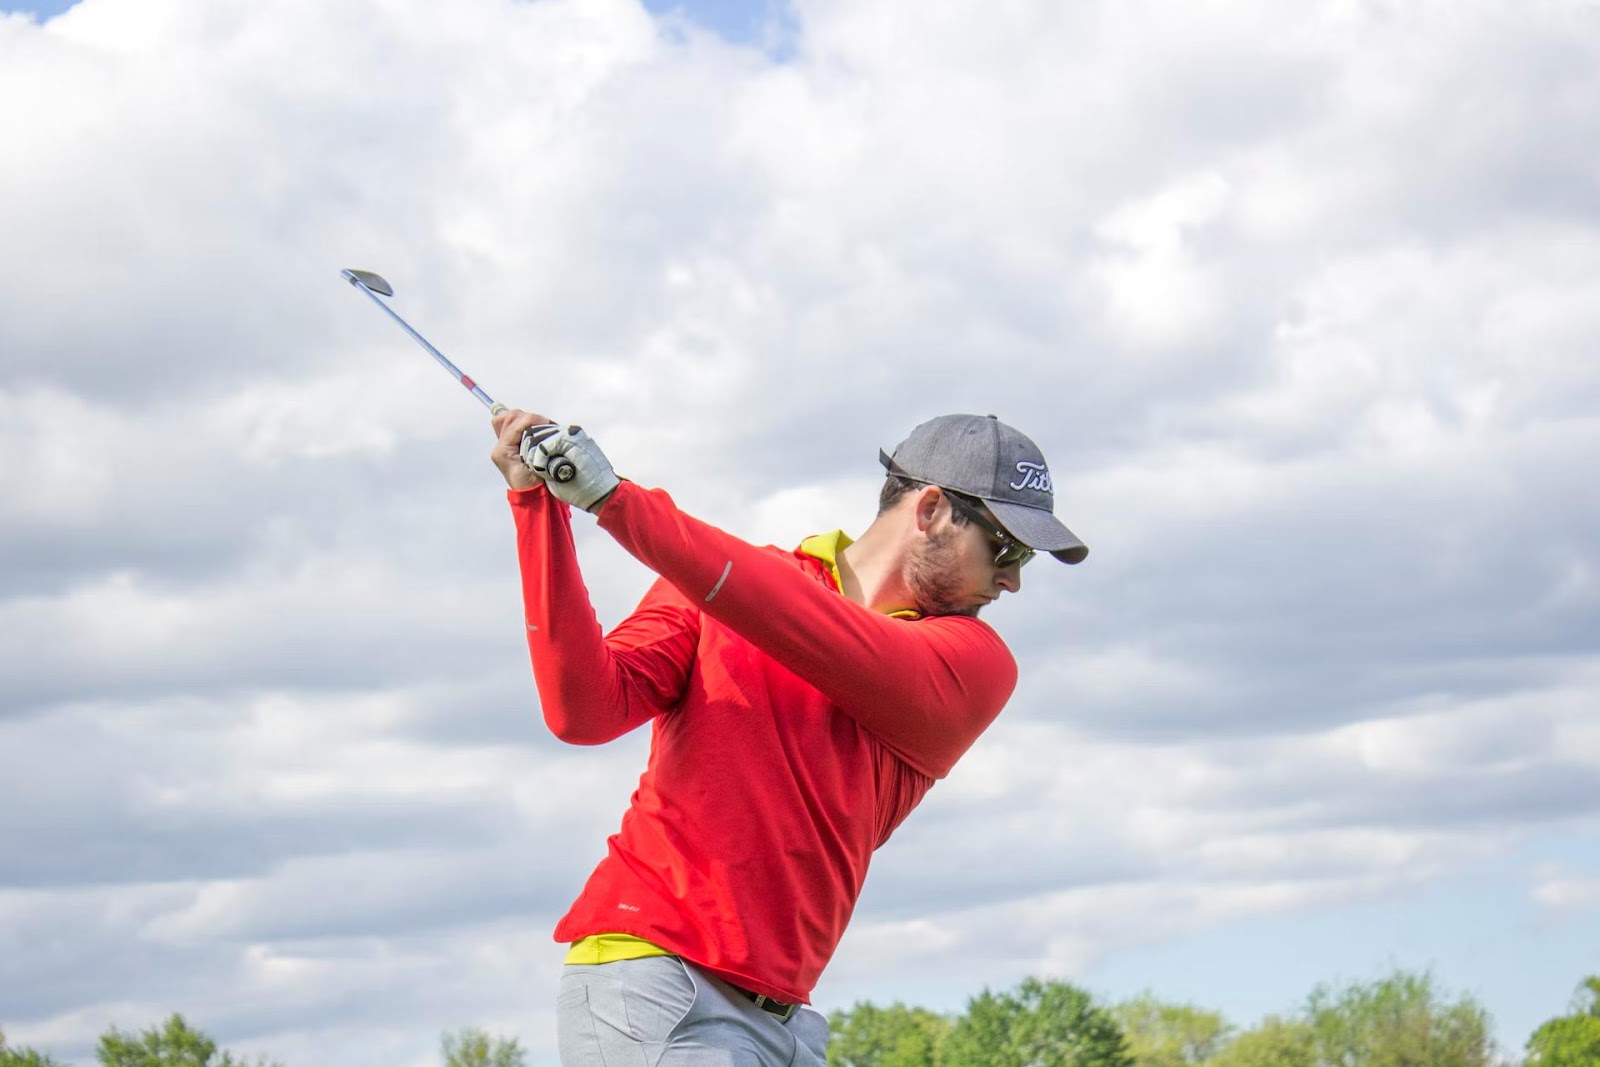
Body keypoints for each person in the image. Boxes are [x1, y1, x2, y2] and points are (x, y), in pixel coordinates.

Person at [488, 410, 1088, 1067]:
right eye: (1006, 549)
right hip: (655, 974)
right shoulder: (722, 586)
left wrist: (618, 501)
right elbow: (584, 710)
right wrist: (538, 509)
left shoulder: (975, 664)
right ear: (931, 509)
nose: (1012, 580)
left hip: (785, 1022)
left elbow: (807, 626)